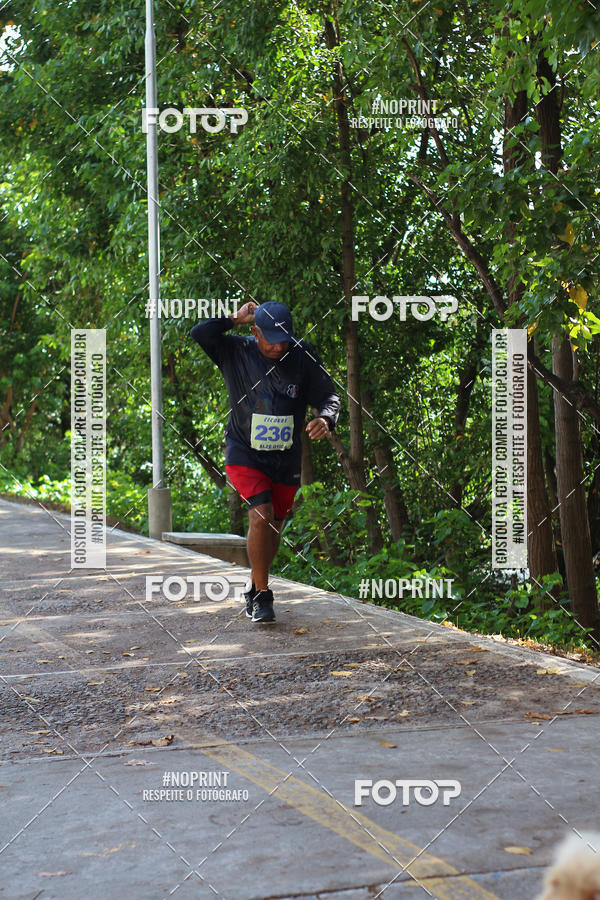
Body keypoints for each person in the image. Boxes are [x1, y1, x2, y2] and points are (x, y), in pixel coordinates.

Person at [190, 300, 340, 624]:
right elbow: (200, 333)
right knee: (260, 514)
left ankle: (255, 584)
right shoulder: (235, 351)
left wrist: (326, 419)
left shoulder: (303, 356)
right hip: (244, 451)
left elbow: (328, 396)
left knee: (274, 524)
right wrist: (234, 319)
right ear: (255, 331)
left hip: (286, 458)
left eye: (283, 338)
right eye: (270, 337)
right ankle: (262, 594)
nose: (277, 345)